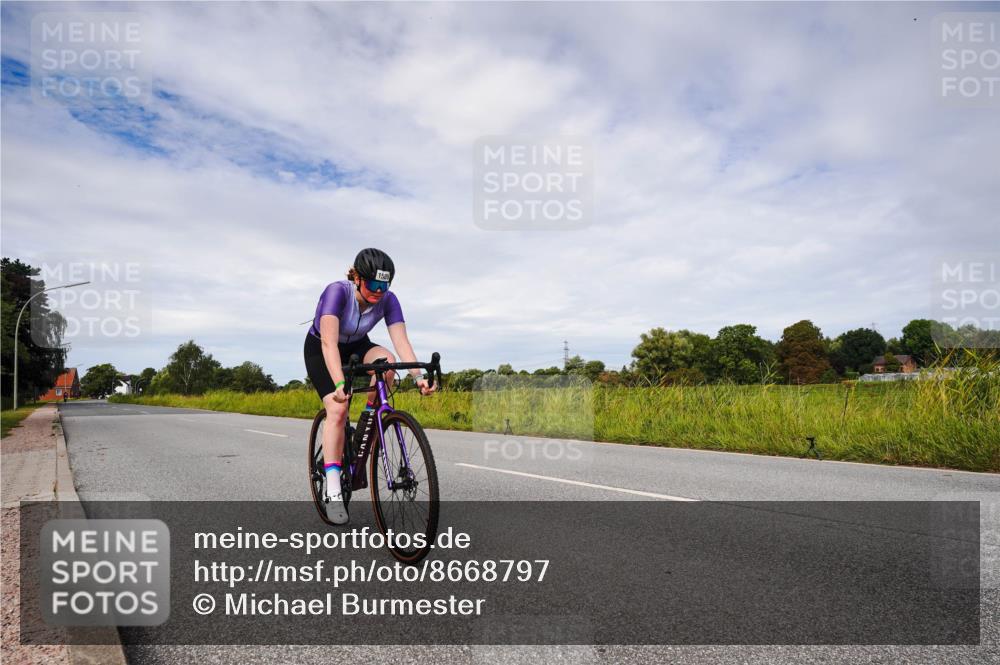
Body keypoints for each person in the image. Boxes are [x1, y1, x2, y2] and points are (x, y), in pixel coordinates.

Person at [303, 248, 435, 524]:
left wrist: (418, 377)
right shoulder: (337, 292)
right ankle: (334, 490)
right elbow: (329, 344)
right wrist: (339, 382)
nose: (379, 291)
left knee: (387, 362)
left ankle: (366, 423)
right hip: (322, 348)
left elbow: (401, 341)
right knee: (337, 410)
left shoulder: (388, 300)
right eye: (374, 284)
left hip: (356, 345)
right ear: (357, 278)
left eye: (384, 285)